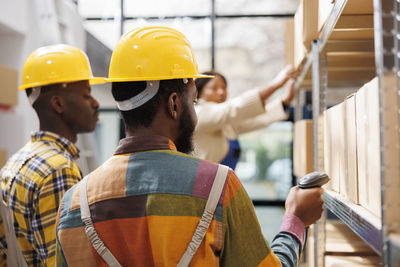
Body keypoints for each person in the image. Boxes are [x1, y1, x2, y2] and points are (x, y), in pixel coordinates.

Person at [56, 26, 323, 267]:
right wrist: (295, 219)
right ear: (174, 104)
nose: (196, 113)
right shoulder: (219, 187)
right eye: (193, 101)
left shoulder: (74, 203)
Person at [0, 44, 104, 266]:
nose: (95, 104)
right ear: (58, 104)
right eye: (87, 95)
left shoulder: (16, 161)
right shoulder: (59, 170)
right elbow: (64, 261)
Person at [194, 69, 296, 169]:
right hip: (202, 184)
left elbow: (257, 120)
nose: (221, 92)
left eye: (224, 88)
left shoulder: (226, 123)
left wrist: (285, 101)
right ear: (198, 91)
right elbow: (234, 108)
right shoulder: (198, 114)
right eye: (214, 88)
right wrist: (276, 84)